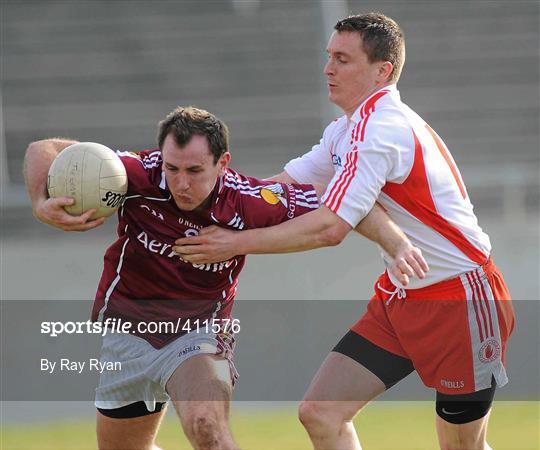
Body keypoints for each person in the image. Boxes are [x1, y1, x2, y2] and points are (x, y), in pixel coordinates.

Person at [173, 14, 516, 450]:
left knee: (461, 447)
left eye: (342, 59)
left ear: (382, 71)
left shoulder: (382, 130)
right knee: (321, 414)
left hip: (459, 301)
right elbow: (278, 189)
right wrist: (196, 197)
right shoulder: (347, 130)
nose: (328, 69)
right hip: (402, 296)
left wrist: (235, 243)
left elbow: (331, 227)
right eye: (328, 57)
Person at [24, 106, 427, 450]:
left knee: (207, 427)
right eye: (172, 168)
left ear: (223, 162)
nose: (181, 183)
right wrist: (41, 203)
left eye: (195, 170)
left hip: (198, 336)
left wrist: (397, 244)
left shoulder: (250, 200)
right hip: (127, 332)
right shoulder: (135, 173)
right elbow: (42, 150)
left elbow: (346, 203)